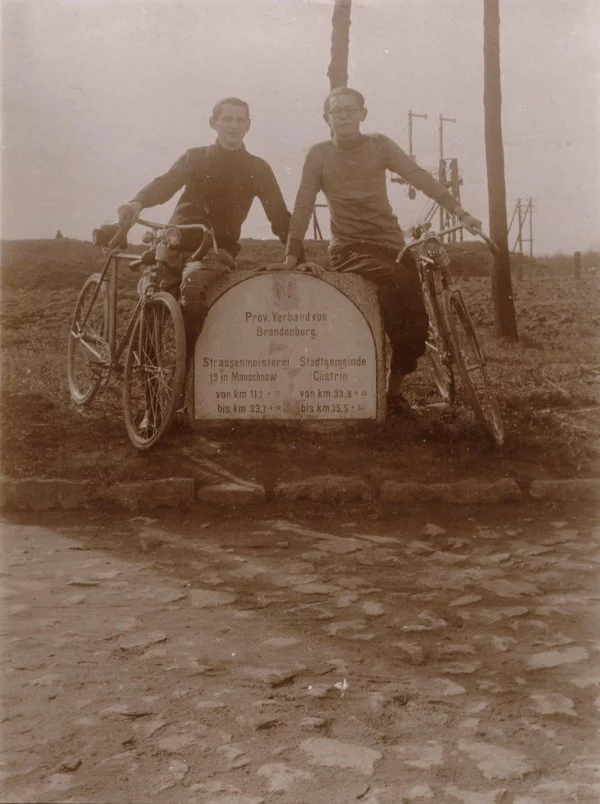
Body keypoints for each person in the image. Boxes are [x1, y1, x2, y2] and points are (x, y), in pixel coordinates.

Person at [270, 87, 483, 413]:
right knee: (396, 282)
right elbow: (302, 205)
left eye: (350, 110)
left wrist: (461, 213)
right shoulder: (318, 155)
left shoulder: (379, 145)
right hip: (348, 248)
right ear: (327, 117)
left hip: (391, 244)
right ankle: (369, 377)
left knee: (415, 321)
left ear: (363, 114)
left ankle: (392, 393)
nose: (343, 116)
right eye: (336, 111)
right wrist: (290, 253)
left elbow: (417, 176)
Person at [116, 96, 296, 340]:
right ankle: (143, 371)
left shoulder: (257, 168)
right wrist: (138, 201)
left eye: (240, 120)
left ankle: (192, 365)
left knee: (193, 286)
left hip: (216, 251)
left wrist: (297, 255)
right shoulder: (195, 157)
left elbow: (278, 214)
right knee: (151, 299)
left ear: (248, 125)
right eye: (227, 119)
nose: (233, 125)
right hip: (173, 244)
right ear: (214, 123)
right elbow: (166, 184)